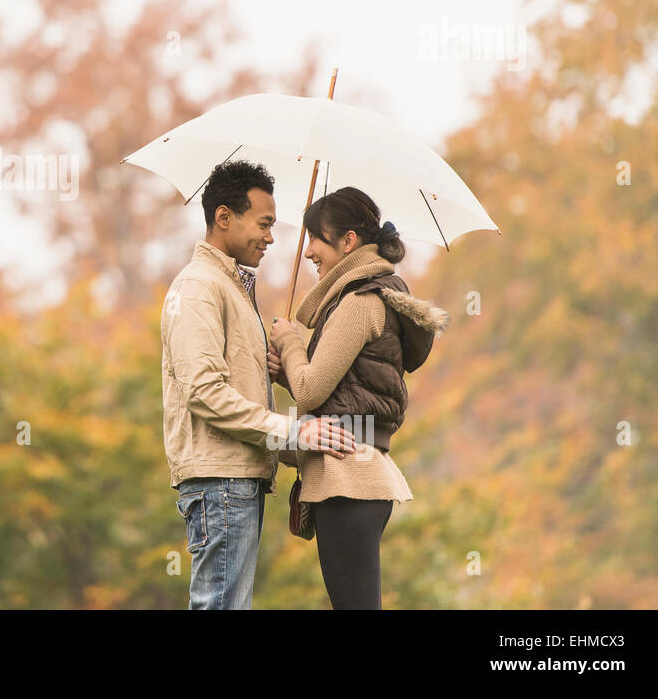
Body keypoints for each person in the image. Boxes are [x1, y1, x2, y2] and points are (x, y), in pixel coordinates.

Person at [161, 160, 358, 610]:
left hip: (235, 480)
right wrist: (293, 431)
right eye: (264, 223)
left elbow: (232, 390)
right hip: (221, 481)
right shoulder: (199, 287)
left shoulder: (231, 288)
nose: (271, 236)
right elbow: (204, 392)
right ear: (224, 217)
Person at [268, 186, 450, 609]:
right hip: (357, 479)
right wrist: (286, 374)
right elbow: (337, 393)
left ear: (348, 241)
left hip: (348, 482)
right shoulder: (365, 296)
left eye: (316, 236)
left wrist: (291, 343)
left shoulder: (358, 301)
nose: (309, 248)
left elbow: (312, 390)